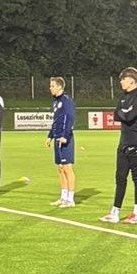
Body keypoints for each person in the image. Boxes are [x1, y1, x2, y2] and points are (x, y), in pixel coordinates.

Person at [101, 68, 137, 224]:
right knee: (120, 178)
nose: (120, 82)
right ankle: (115, 212)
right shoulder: (122, 97)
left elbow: (128, 116)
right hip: (123, 142)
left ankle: (136, 213)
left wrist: (123, 113)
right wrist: (123, 113)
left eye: (123, 79)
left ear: (131, 81)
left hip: (136, 142)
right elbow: (117, 114)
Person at [46, 77, 76, 207]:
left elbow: (70, 118)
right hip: (57, 137)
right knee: (60, 168)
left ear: (59, 87)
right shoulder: (55, 102)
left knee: (67, 168)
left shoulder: (66, 101)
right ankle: (63, 197)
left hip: (65, 139)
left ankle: (70, 199)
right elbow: (56, 121)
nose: (50, 88)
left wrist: (65, 136)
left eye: (52, 86)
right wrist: (50, 136)